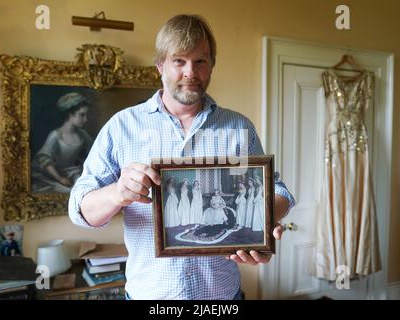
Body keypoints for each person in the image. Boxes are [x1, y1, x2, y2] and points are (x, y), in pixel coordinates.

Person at [69, 14, 295, 300]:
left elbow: (277, 189)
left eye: (200, 61)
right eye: (179, 61)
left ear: (212, 65)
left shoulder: (239, 128)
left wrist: (261, 224)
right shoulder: (121, 126)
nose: (191, 72)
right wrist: (117, 193)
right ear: (160, 65)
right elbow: (79, 209)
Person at [31, 92, 94, 193]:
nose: (86, 119)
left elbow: (96, 150)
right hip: (55, 175)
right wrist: (60, 178)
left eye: (86, 115)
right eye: (82, 115)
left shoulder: (82, 134)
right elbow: (44, 158)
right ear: (70, 114)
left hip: (73, 174)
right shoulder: (56, 135)